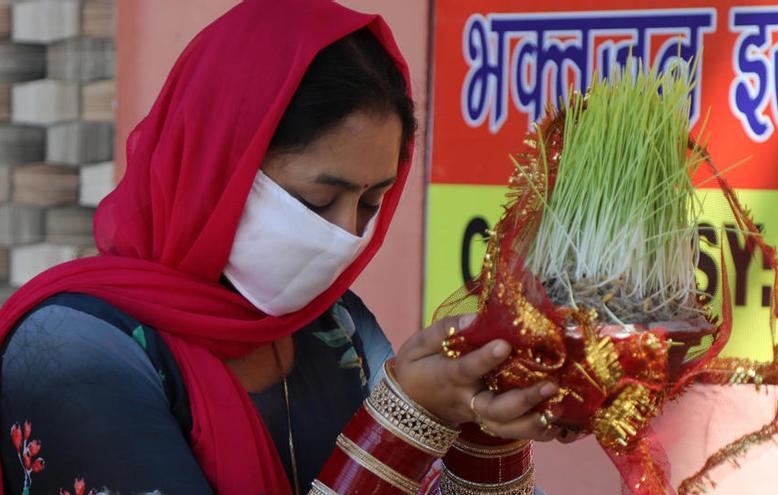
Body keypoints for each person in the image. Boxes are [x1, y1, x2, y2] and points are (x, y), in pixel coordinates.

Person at [0, 1, 563, 494]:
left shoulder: (334, 325)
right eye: (319, 202)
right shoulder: (72, 352)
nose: (347, 235)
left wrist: (482, 432)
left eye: (372, 203)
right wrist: (402, 425)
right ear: (215, 171)